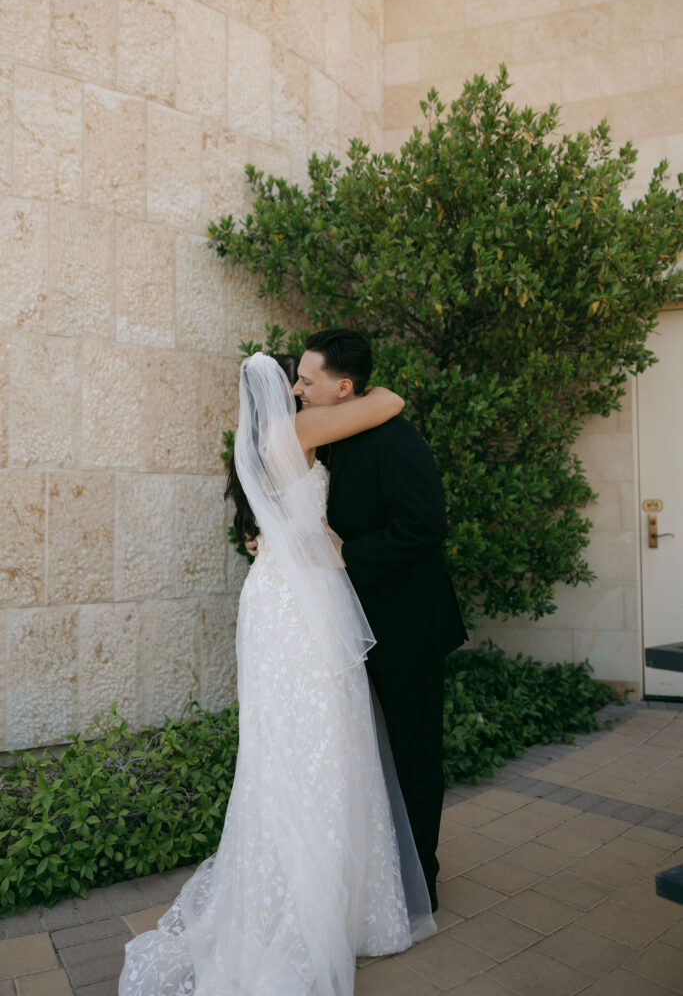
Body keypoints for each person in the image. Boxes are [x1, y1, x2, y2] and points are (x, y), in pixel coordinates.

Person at [119, 352, 435, 996]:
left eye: (305, 378)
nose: (298, 389)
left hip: (283, 592)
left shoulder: (267, 440)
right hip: (299, 599)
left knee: (300, 742)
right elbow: (389, 402)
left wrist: (278, 537)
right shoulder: (295, 432)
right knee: (316, 740)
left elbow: (280, 517)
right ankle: (317, 901)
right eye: (291, 379)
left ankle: (323, 889)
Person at [290, 329, 467, 912]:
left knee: (414, 755)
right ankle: (372, 874)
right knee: (360, 758)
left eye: (308, 380)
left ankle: (420, 884)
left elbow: (424, 526)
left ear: (344, 388)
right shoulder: (323, 438)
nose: (297, 390)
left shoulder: (395, 439)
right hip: (340, 628)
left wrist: (350, 556)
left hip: (406, 626)